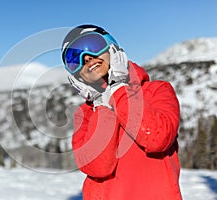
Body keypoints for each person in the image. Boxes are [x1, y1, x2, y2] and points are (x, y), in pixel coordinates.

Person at [61, 24, 182, 200]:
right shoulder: (84, 114)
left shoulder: (157, 91)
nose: (86, 57)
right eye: (74, 58)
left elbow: (156, 137)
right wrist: (102, 105)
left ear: (113, 48)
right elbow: (98, 167)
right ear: (75, 76)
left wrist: (119, 89)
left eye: (93, 45)